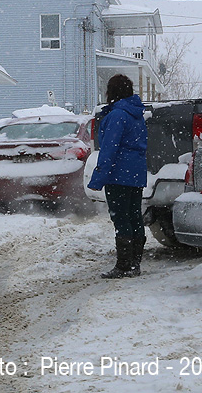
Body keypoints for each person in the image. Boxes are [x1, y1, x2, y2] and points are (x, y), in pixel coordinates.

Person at [87, 74, 148, 279]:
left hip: (118, 174)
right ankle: (135, 264)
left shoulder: (116, 116)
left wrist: (98, 178)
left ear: (111, 92)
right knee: (134, 216)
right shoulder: (136, 115)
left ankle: (124, 266)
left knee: (121, 219)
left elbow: (109, 150)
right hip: (136, 173)